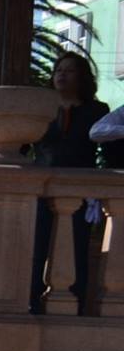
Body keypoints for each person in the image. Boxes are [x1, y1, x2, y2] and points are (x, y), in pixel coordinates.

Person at [27, 52, 112, 315]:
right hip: (42, 186)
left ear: (82, 77)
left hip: (79, 188)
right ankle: (32, 302)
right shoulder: (41, 109)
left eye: (69, 70)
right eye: (58, 70)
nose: (61, 75)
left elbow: (104, 148)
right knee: (36, 246)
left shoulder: (96, 110)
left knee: (76, 246)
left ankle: (75, 305)